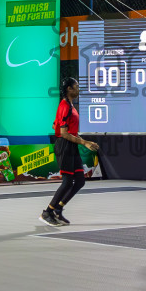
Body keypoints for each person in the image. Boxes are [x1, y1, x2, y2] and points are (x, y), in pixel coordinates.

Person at [40, 77, 100, 227]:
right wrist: (84, 142)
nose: (79, 89)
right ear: (69, 89)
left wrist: (82, 140)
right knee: (67, 182)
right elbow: (64, 133)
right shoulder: (65, 106)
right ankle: (47, 212)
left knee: (79, 181)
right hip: (64, 146)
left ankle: (58, 209)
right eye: (77, 86)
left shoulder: (70, 106)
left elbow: (57, 125)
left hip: (71, 146)